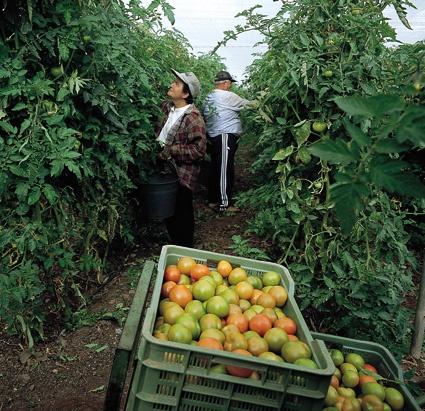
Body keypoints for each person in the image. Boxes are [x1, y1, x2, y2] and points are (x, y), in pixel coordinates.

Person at [156, 69, 207, 248]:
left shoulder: (193, 118)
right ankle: (175, 244)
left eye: (176, 84)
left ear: (186, 93)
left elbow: (198, 150)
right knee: (170, 208)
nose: (171, 85)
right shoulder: (167, 108)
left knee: (182, 210)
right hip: (166, 169)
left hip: (182, 173)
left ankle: (185, 248)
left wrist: (172, 150)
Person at [203, 70, 249, 212]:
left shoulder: (208, 97)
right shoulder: (228, 96)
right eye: (229, 84)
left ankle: (212, 199)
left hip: (214, 136)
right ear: (226, 83)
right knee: (224, 168)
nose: (230, 86)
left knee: (216, 166)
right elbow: (249, 105)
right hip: (225, 136)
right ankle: (224, 204)